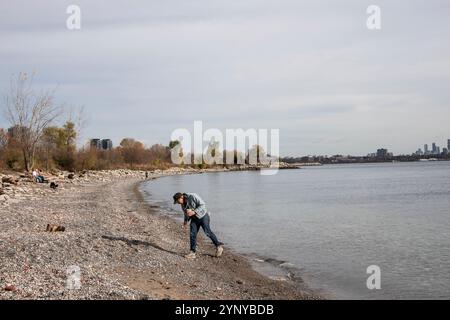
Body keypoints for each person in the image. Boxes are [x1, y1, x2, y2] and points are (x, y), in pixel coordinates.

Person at [173, 192, 224, 259]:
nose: (178, 203)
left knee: (207, 232)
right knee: (192, 234)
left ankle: (219, 247)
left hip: (203, 216)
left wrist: (194, 212)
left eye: (177, 201)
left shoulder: (192, 196)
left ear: (181, 197)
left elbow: (203, 205)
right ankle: (192, 253)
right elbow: (186, 213)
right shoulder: (182, 204)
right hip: (194, 219)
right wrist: (185, 221)